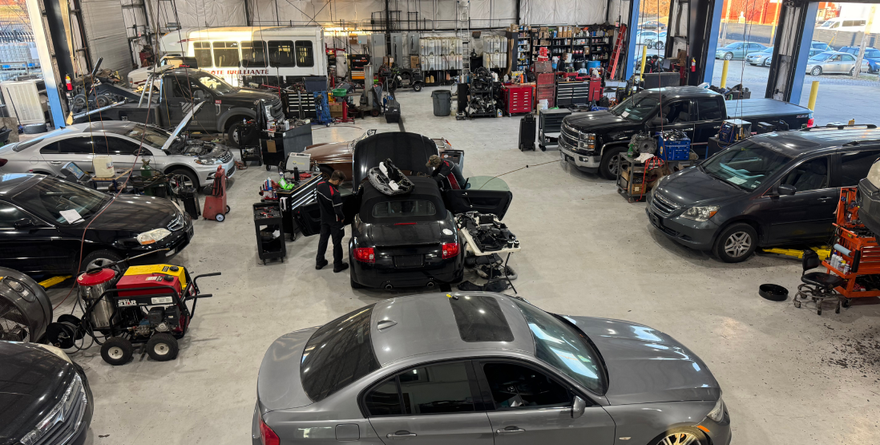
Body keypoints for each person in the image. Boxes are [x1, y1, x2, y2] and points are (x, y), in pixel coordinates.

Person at [315, 170, 348, 273]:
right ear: (338, 180)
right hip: (334, 221)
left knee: (323, 240)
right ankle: (337, 265)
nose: (341, 184)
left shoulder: (320, 185)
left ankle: (319, 262)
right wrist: (342, 218)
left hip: (324, 219)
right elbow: (338, 211)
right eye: (341, 182)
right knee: (337, 243)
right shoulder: (335, 194)